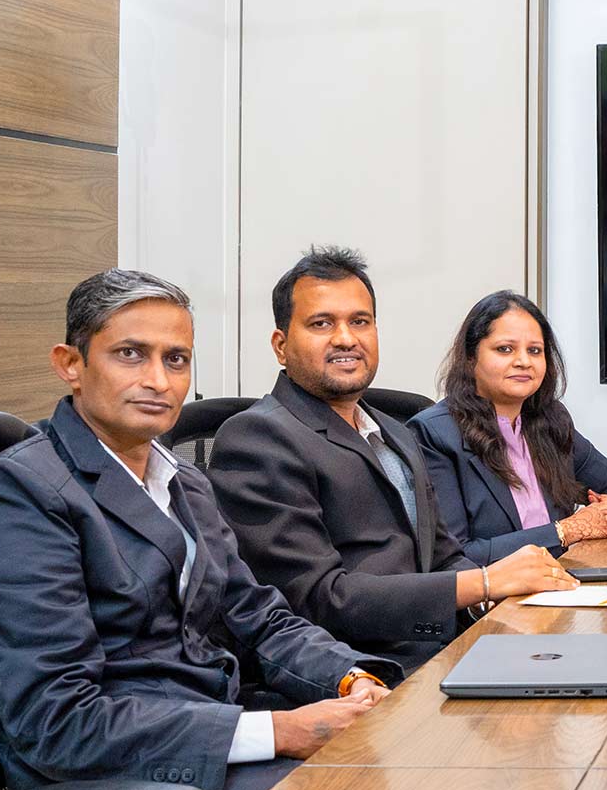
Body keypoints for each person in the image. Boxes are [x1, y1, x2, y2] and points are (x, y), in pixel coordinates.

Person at [0, 271, 408, 790]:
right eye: (130, 354)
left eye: (176, 359)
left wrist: (352, 679)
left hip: (209, 763)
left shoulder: (183, 482)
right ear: (71, 365)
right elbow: (57, 720)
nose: (159, 380)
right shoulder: (19, 497)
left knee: (436, 774)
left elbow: (259, 618)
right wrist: (276, 732)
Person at [211, 247, 576, 670]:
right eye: (321, 323)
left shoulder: (395, 431)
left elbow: (444, 556)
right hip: (362, 669)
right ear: (281, 346)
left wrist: (494, 605)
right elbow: (318, 599)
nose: (346, 338)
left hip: (445, 647)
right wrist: (484, 582)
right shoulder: (258, 438)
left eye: (360, 321)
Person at [411, 290, 607, 567]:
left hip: (568, 577)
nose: (524, 361)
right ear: (471, 358)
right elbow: (455, 558)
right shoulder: (435, 434)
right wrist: (567, 530)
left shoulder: (551, 420)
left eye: (535, 350)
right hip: (500, 592)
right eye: (505, 349)